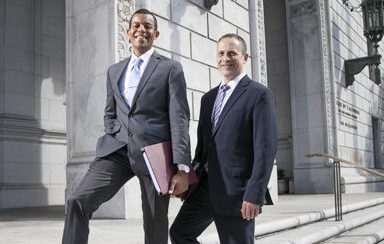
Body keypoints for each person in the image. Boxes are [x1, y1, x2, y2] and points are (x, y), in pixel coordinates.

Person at [62, 9, 191, 244]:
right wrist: (114, 131)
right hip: (117, 151)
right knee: (77, 201)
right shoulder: (114, 71)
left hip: (154, 155)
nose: (142, 29)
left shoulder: (170, 68)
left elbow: (179, 118)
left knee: (155, 223)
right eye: (137, 25)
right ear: (128, 32)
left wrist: (182, 168)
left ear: (156, 34)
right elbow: (110, 112)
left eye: (148, 26)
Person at [170, 33, 277, 244]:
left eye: (232, 53)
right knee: (179, 233)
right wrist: (190, 181)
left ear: (245, 57)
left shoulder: (259, 94)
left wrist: (254, 194)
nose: (225, 58)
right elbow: (202, 149)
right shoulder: (208, 98)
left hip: (237, 191)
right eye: (221, 53)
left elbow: (265, 149)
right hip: (204, 189)